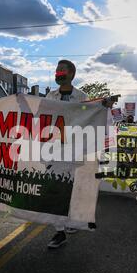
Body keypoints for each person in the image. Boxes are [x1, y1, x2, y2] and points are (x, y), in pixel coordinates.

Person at [45, 59, 114, 249]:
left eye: (62, 71)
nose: (58, 73)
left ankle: (72, 220)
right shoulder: (50, 96)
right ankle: (59, 232)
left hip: (76, 150)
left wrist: (103, 105)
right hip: (55, 150)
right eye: (56, 70)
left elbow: (93, 115)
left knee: (74, 189)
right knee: (56, 189)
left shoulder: (82, 96)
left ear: (71, 74)